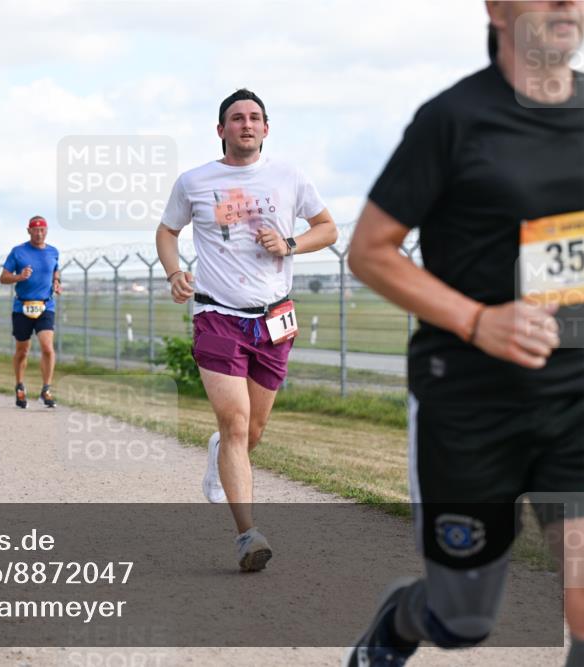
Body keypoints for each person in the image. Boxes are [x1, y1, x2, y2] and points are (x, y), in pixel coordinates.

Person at [344, 3, 584, 666]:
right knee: (462, 617)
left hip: (575, 400)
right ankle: (401, 622)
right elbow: (371, 251)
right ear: (498, 7)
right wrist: (478, 320)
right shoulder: (452, 120)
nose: (567, 0)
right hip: (472, 405)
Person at [156, 88, 337, 572]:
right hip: (216, 315)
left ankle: (221, 452)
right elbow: (166, 231)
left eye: (255, 117)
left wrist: (290, 242)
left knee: (251, 431)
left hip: (274, 319)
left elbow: (328, 227)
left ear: (266, 128)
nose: (246, 124)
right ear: (221, 130)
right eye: (237, 118)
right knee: (236, 423)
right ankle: (247, 535)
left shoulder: (289, 176)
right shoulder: (194, 181)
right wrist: (175, 273)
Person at [0, 215, 62, 408]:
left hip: (45, 305)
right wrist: (19, 277)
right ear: (29, 231)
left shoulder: (53, 252)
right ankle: (19, 385)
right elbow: (3, 278)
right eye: (35, 230)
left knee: (47, 348)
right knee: (22, 350)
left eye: (42, 230)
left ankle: (46, 389)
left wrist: (56, 282)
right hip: (22, 306)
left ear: (47, 231)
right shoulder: (18, 252)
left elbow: (55, 270)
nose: (39, 233)